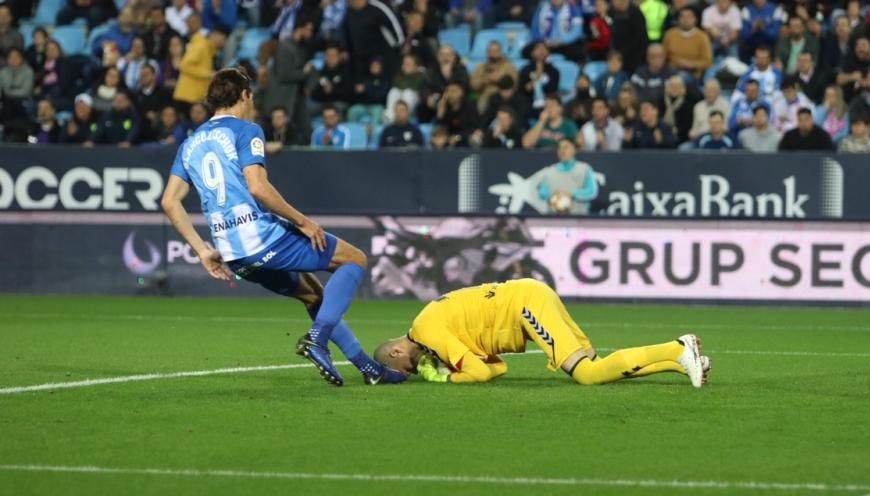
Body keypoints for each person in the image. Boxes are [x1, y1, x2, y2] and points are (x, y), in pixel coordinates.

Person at [161, 68, 407, 387]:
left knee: (313, 295)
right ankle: (317, 340)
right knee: (354, 259)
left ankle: (368, 369)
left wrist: (202, 249)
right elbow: (258, 188)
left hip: (232, 252)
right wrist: (304, 222)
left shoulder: (190, 144)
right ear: (245, 95)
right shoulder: (246, 129)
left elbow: (169, 201)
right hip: (259, 237)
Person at [373, 279, 710, 387]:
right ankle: (679, 361)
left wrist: (446, 378)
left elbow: (477, 372)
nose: (414, 372)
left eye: (406, 370)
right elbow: (498, 368)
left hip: (525, 305)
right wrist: (457, 365)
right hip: (530, 295)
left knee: (588, 375)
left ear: (396, 353)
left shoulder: (427, 332)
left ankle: (678, 346)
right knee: (598, 365)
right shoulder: (427, 326)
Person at [536, 139, 597, 213]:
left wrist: (571, 194)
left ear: (574, 150)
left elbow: (592, 191)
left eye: (565, 147)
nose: (562, 150)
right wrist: (553, 194)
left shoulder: (584, 169)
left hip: (578, 218)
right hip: (554, 219)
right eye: (560, 148)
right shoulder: (549, 172)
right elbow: (542, 193)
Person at [174, 26, 228, 111]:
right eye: (224, 39)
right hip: (187, 97)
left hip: (195, 97)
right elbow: (185, 65)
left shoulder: (211, 50)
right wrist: (209, 74)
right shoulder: (201, 45)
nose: (224, 43)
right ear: (216, 35)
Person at [661, 6, 712, 80]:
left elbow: (707, 61)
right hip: (671, 70)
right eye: (682, 16)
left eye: (689, 16)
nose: (685, 20)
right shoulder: (670, 34)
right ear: (678, 19)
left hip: (692, 73)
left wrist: (689, 64)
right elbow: (663, 55)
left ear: (695, 19)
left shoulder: (702, 37)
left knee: (681, 76)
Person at [470, 41, 519, 113]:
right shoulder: (480, 67)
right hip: (486, 97)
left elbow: (515, 84)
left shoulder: (509, 66)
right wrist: (486, 80)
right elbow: (473, 85)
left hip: (503, 97)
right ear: (487, 52)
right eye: (490, 51)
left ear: (501, 52)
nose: (493, 53)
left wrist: (501, 79)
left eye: (496, 51)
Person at [608, 0, 649, 74]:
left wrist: (622, 52)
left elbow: (639, 39)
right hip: (618, 57)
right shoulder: (612, 12)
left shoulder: (636, 14)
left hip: (635, 58)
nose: (612, 2)